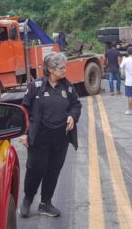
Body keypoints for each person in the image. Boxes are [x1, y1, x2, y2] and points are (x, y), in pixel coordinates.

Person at [18, 52, 82, 218]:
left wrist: (72, 116)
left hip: (60, 138)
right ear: (51, 69)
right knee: (35, 170)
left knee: (53, 170)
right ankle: (28, 199)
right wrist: (24, 133)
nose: (64, 70)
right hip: (39, 138)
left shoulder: (67, 87)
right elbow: (24, 110)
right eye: (61, 68)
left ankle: (45, 203)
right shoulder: (36, 86)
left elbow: (76, 105)